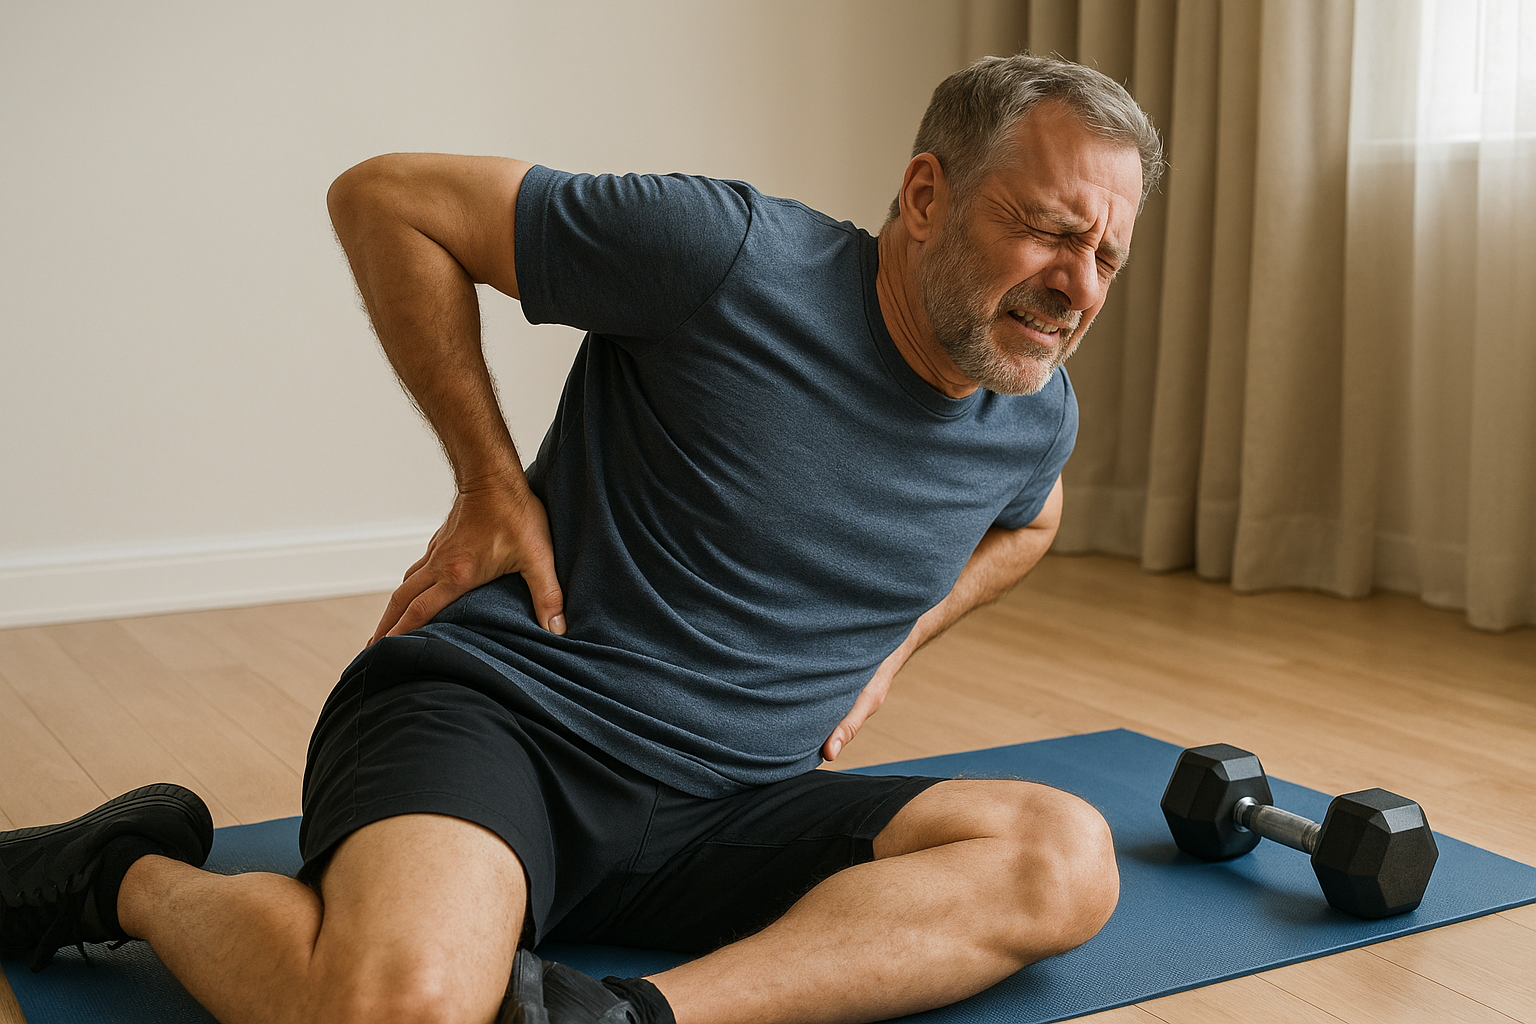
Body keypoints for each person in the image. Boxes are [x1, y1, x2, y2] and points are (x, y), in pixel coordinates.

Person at [1, 52, 1160, 1024]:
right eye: (1051, 231)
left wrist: (896, 647)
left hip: (738, 805)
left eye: (1106, 255)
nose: (1077, 286)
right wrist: (487, 480)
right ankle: (124, 876)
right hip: (513, 721)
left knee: (1068, 858)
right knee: (398, 1006)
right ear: (924, 197)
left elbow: (1032, 520)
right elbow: (388, 196)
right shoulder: (729, 255)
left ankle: (636, 1014)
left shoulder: (1033, 412)